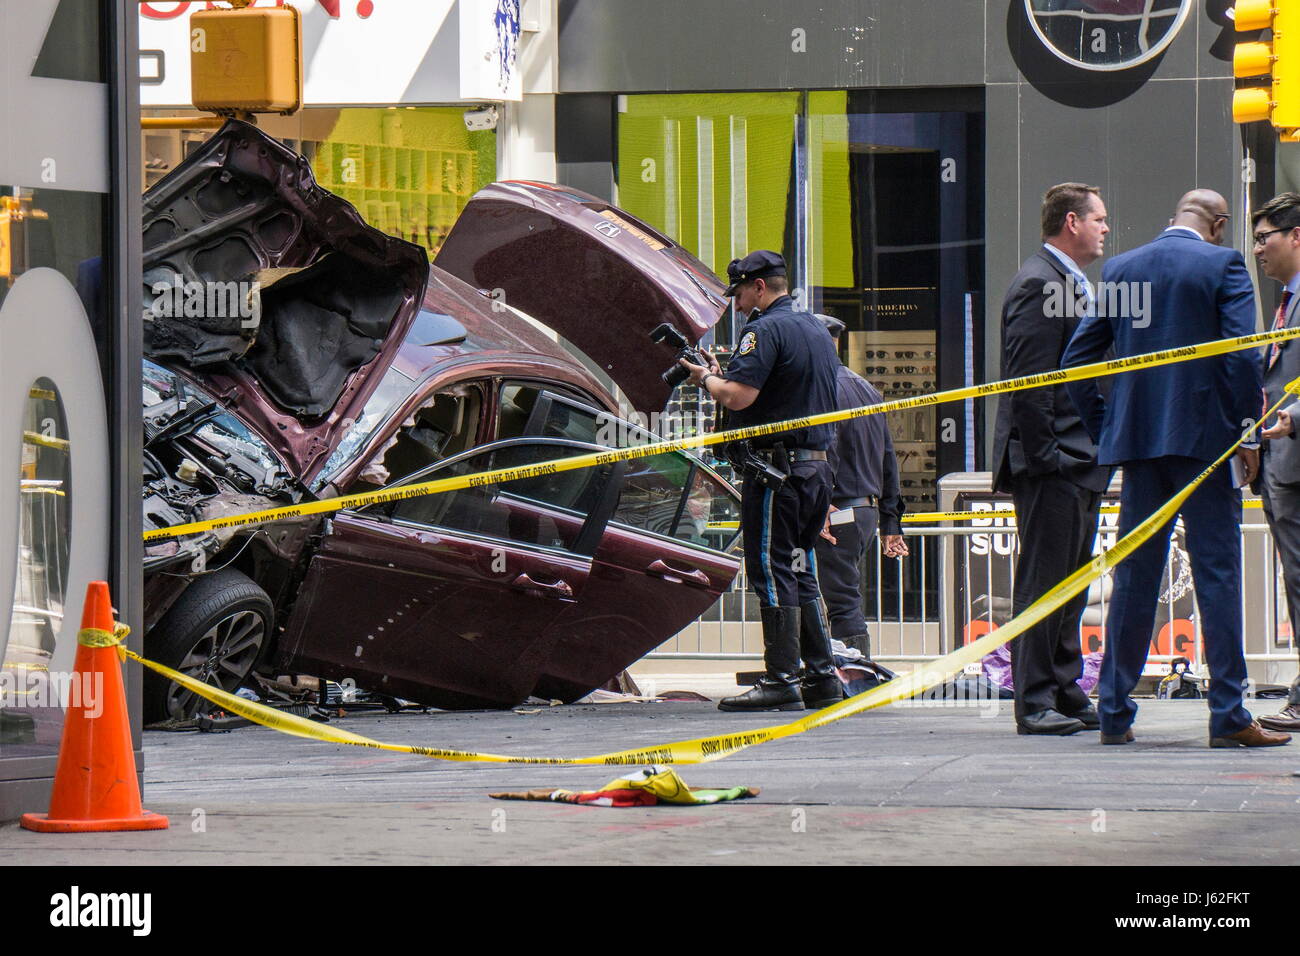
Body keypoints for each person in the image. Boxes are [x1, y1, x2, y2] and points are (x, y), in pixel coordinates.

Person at [1062, 188, 1290, 748]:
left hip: (1139, 448)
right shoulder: (1222, 264)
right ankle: (1229, 716)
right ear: (1218, 223)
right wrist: (1245, 434)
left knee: (1135, 579)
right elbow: (1241, 354)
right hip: (1206, 448)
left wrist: (1109, 427)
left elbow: (1074, 362)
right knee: (1218, 576)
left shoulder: (1121, 270)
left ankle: (1114, 712)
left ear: (1173, 218)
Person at [679, 251, 841, 712]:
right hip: (814, 468)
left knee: (771, 570)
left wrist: (707, 377)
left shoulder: (763, 330)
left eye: (742, 294)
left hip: (778, 470)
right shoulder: (814, 328)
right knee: (801, 568)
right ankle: (822, 678)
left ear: (759, 287)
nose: (741, 304)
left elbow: (738, 396)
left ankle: (782, 679)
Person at [991, 183, 1114, 736]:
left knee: (1070, 585)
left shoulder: (1068, 283)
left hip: (1078, 460)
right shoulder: (1041, 283)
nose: (1107, 228)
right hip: (1054, 464)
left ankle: (1064, 689)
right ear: (1071, 222)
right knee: (1043, 583)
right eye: (1100, 219)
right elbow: (1030, 384)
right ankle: (1034, 699)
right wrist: (1049, 459)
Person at [812, 313, 907, 661]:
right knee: (842, 593)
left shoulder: (821, 388)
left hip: (838, 507)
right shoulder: (866, 389)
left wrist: (819, 502)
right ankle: (848, 666)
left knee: (840, 598)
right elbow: (888, 458)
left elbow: (827, 448)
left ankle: (855, 671)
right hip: (863, 510)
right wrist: (891, 521)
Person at [1245, 193, 1300, 733]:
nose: (1258, 248)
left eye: (1266, 237)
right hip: (1281, 467)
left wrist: (1294, 419)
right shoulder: (1288, 301)